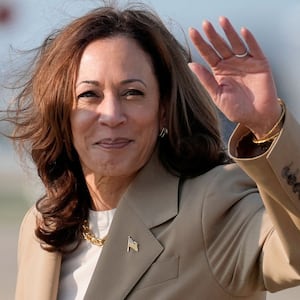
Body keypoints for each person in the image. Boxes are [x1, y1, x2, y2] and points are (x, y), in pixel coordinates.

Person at [3, 3, 300, 300]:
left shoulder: (212, 203)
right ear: (61, 114)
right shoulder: (42, 227)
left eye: (132, 93)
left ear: (163, 110)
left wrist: (268, 124)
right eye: (89, 95)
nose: (111, 115)